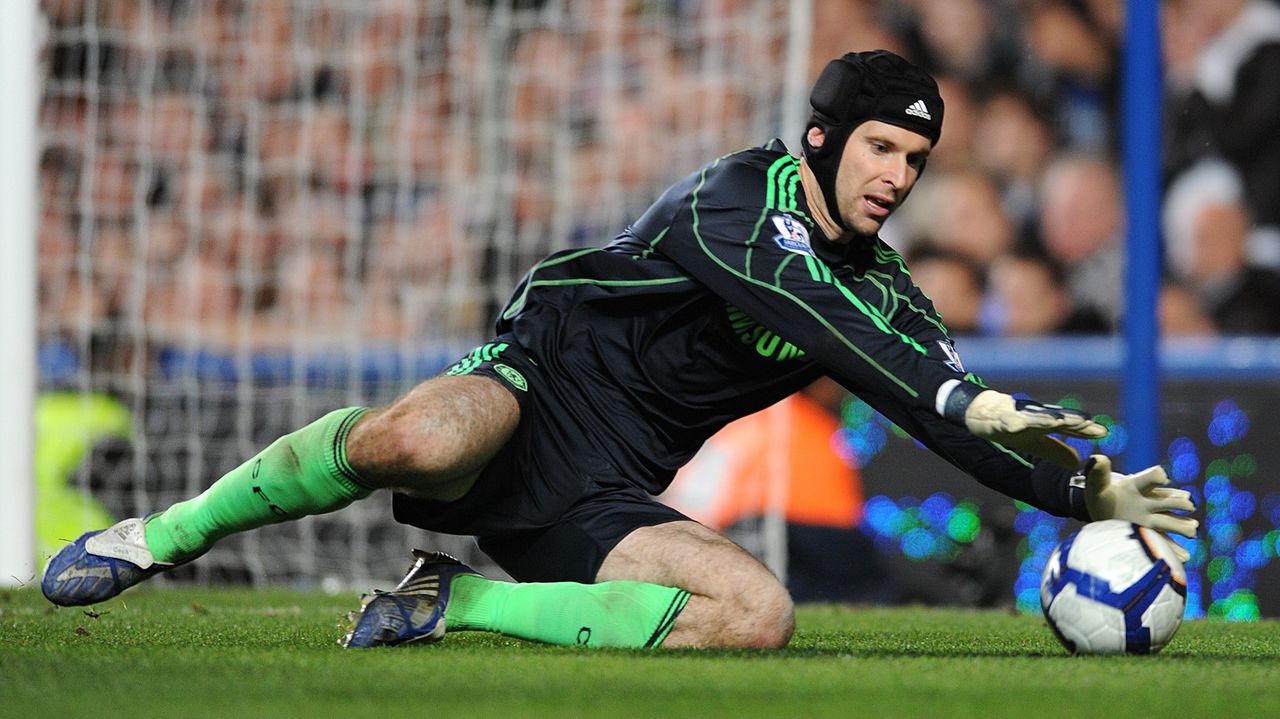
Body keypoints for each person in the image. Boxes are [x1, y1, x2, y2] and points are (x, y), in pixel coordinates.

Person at [42, 50, 1198, 651]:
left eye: (915, 163)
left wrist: (1081, 486)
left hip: (602, 489)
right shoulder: (734, 201)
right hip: (530, 390)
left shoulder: (882, 288)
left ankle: (457, 605)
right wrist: (951, 384)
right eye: (883, 149)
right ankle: (160, 534)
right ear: (821, 138)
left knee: (756, 616)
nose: (897, 178)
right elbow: (816, 315)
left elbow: (943, 414)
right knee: (414, 435)